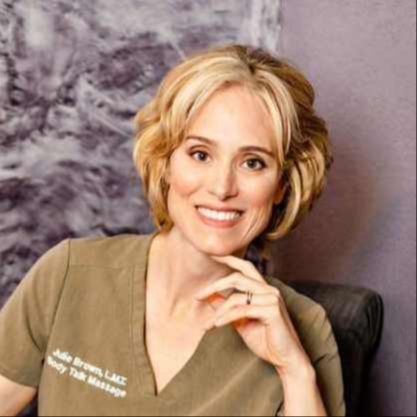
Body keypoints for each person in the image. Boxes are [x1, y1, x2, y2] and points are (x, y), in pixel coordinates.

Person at [0, 44, 345, 416]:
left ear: (281, 185)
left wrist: (294, 371)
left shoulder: (304, 330)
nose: (222, 187)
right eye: (200, 154)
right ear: (165, 161)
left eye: (253, 162)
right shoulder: (69, 275)